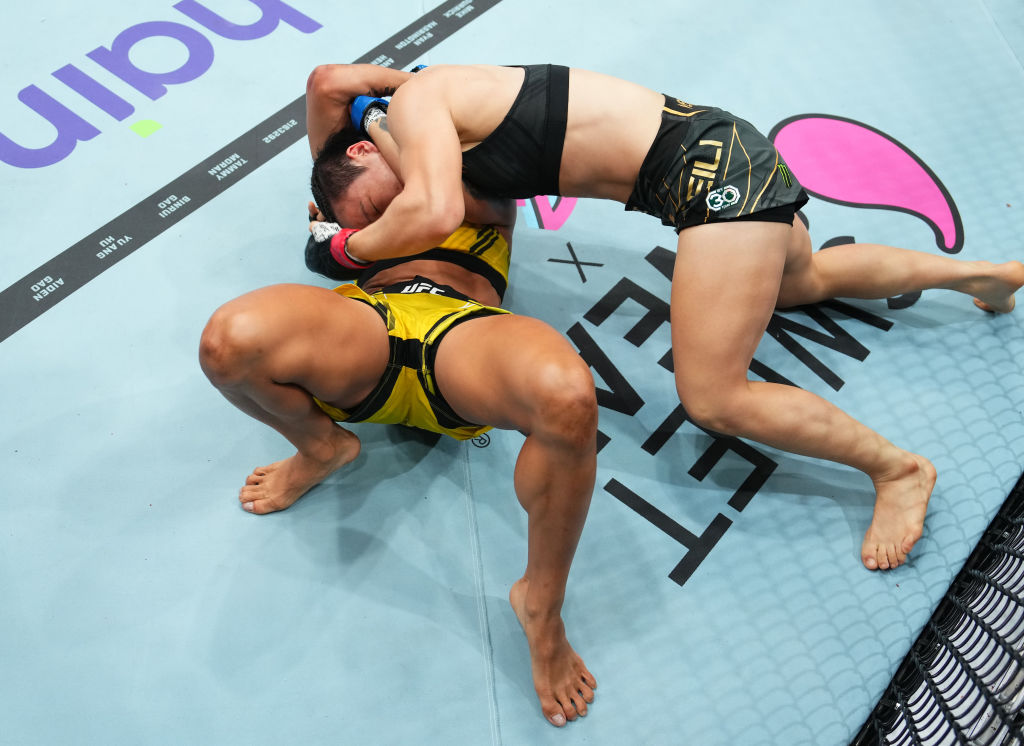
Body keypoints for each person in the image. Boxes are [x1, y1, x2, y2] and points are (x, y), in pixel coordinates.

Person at [303, 62, 1024, 574]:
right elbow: (370, 125)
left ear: (361, 150)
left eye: (376, 206)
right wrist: (372, 149)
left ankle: (899, 470)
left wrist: (343, 248)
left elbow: (413, 187)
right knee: (800, 279)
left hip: (711, 181)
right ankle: (985, 277)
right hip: (720, 148)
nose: (395, 223)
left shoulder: (420, 104)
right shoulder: (411, 127)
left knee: (715, 398)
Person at [198, 209, 599, 728]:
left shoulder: (480, 166)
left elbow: (482, 189)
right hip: (371, 326)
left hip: (463, 336)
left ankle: (541, 608)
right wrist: (341, 211)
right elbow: (330, 219)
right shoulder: (363, 164)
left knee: (567, 399)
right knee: (227, 342)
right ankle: (321, 448)